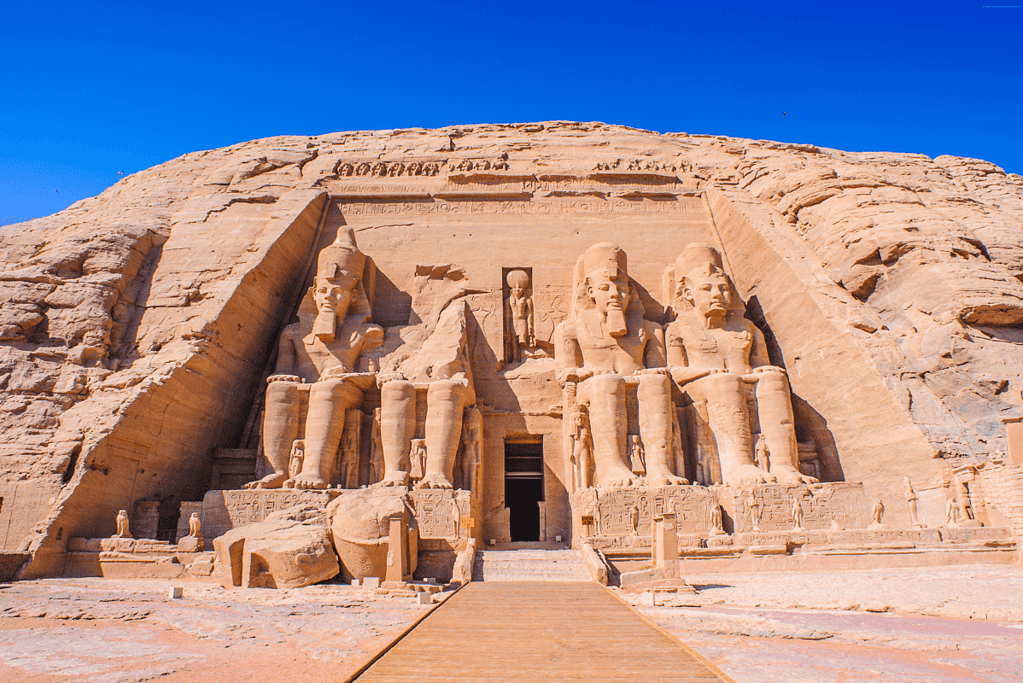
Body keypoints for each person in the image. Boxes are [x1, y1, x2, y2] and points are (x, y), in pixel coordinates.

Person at [664, 244, 815, 486]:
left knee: (774, 380)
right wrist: (706, 372)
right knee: (726, 382)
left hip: (741, 382)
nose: (717, 295)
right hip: (701, 388)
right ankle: (738, 465)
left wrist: (762, 370)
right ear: (689, 294)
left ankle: (784, 465)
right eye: (706, 289)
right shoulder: (678, 329)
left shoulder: (747, 328)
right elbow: (674, 371)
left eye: (723, 289)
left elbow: (761, 364)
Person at [246, 229, 383, 490]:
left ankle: (314, 471)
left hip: (346, 390)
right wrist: (282, 378)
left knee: (327, 389)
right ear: (314, 293)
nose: (328, 297)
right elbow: (282, 371)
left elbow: (371, 376)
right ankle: (278, 471)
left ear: (354, 295)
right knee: (278, 390)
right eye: (323, 290)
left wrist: (343, 374)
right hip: (309, 386)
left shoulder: (366, 331)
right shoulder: (294, 333)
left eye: (338, 291)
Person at [555, 243, 685, 487]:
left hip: (636, 382)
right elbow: (564, 373)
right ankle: (612, 467)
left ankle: (660, 468)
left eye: (621, 289)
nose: (615, 294)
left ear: (630, 293)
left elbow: (659, 368)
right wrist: (586, 372)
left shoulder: (649, 328)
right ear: (590, 292)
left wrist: (648, 373)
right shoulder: (571, 329)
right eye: (605, 288)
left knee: (656, 383)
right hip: (594, 387)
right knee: (608, 383)